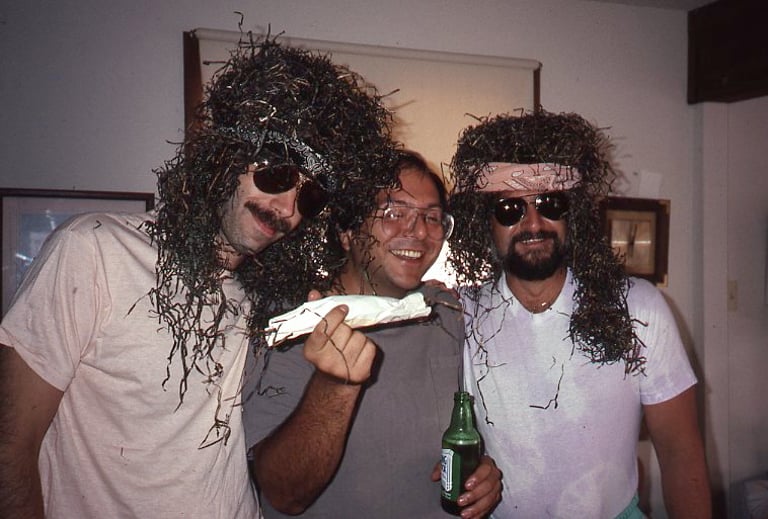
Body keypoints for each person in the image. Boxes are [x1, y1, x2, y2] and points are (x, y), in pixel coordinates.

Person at [0, 35, 397, 518]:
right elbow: (10, 446)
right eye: (276, 175)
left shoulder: (262, 293)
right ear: (227, 158)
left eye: (310, 198)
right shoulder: (95, 250)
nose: (287, 208)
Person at [447, 109, 711, 518]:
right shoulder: (461, 316)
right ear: (486, 224)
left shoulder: (637, 307)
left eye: (549, 204)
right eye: (510, 209)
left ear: (573, 213)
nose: (534, 223)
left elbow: (680, 453)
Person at [243, 151, 502, 518]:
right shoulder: (291, 326)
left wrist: (481, 474)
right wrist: (334, 385)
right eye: (394, 213)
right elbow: (284, 495)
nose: (419, 231)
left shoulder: (447, 314)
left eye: (432, 217)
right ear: (347, 232)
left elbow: (460, 435)